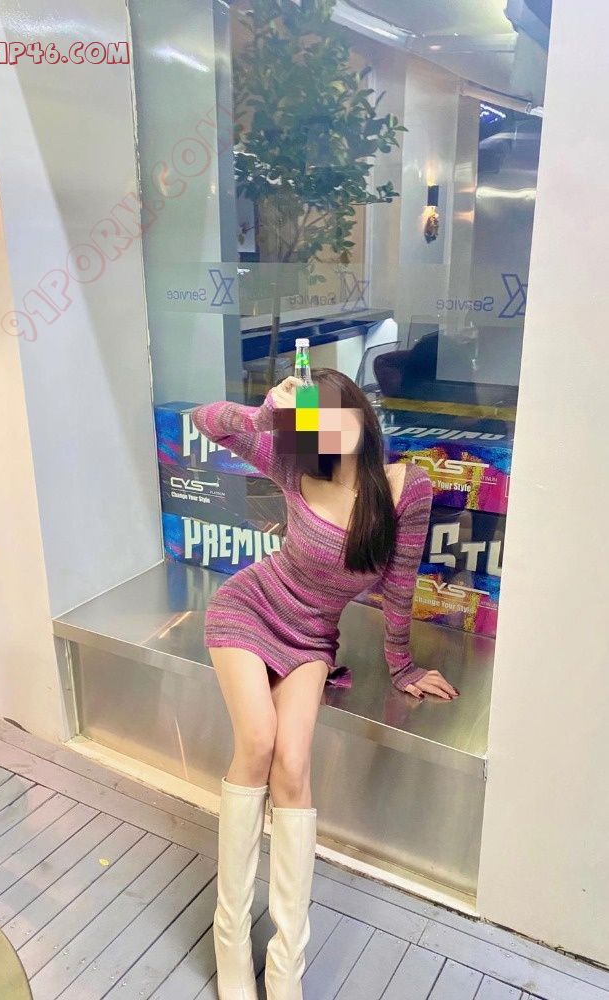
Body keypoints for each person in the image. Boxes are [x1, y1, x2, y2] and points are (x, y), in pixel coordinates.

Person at [190, 368, 458, 1000]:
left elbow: (399, 588)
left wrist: (402, 666)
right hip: (249, 608)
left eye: (335, 410)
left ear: (359, 412)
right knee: (258, 742)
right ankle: (231, 940)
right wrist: (270, 412)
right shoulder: (292, 465)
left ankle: (286, 964)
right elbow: (207, 420)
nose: (329, 425)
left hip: (312, 635)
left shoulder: (406, 488)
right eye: (312, 419)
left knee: (293, 763)